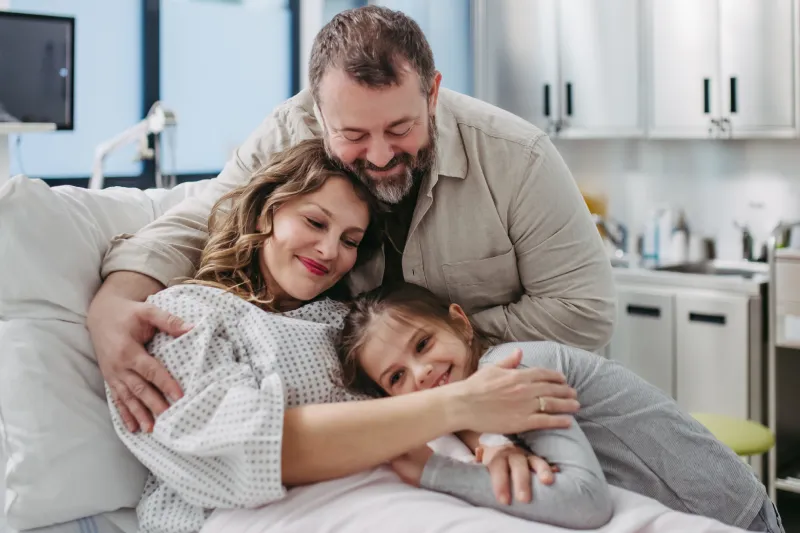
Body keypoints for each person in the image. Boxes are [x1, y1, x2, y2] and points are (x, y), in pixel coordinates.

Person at [86, 5, 616, 443]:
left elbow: (585, 311)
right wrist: (114, 303)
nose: (381, 154)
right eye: (354, 136)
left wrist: (430, 350)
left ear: (432, 94)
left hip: (518, 411)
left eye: (401, 127)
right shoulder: (289, 132)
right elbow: (206, 219)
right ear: (318, 114)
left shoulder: (516, 157)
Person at [109, 139, 583, 533]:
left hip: (410, 496)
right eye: (315, 222)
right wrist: (463, 406)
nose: (329, 250)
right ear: (265, 215)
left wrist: (492, 439)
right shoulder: (185, 315)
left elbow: (429, 385)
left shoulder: (345, 322)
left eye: (351, 240)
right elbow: (256, 450)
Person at [337, 282, 785, 533]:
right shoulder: (474, 398)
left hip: (732, 515)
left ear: (461, 322)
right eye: (397, 377)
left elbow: (586, 505)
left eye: (423, 343)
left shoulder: (518, 367)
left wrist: (432, 471)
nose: (422, 373)